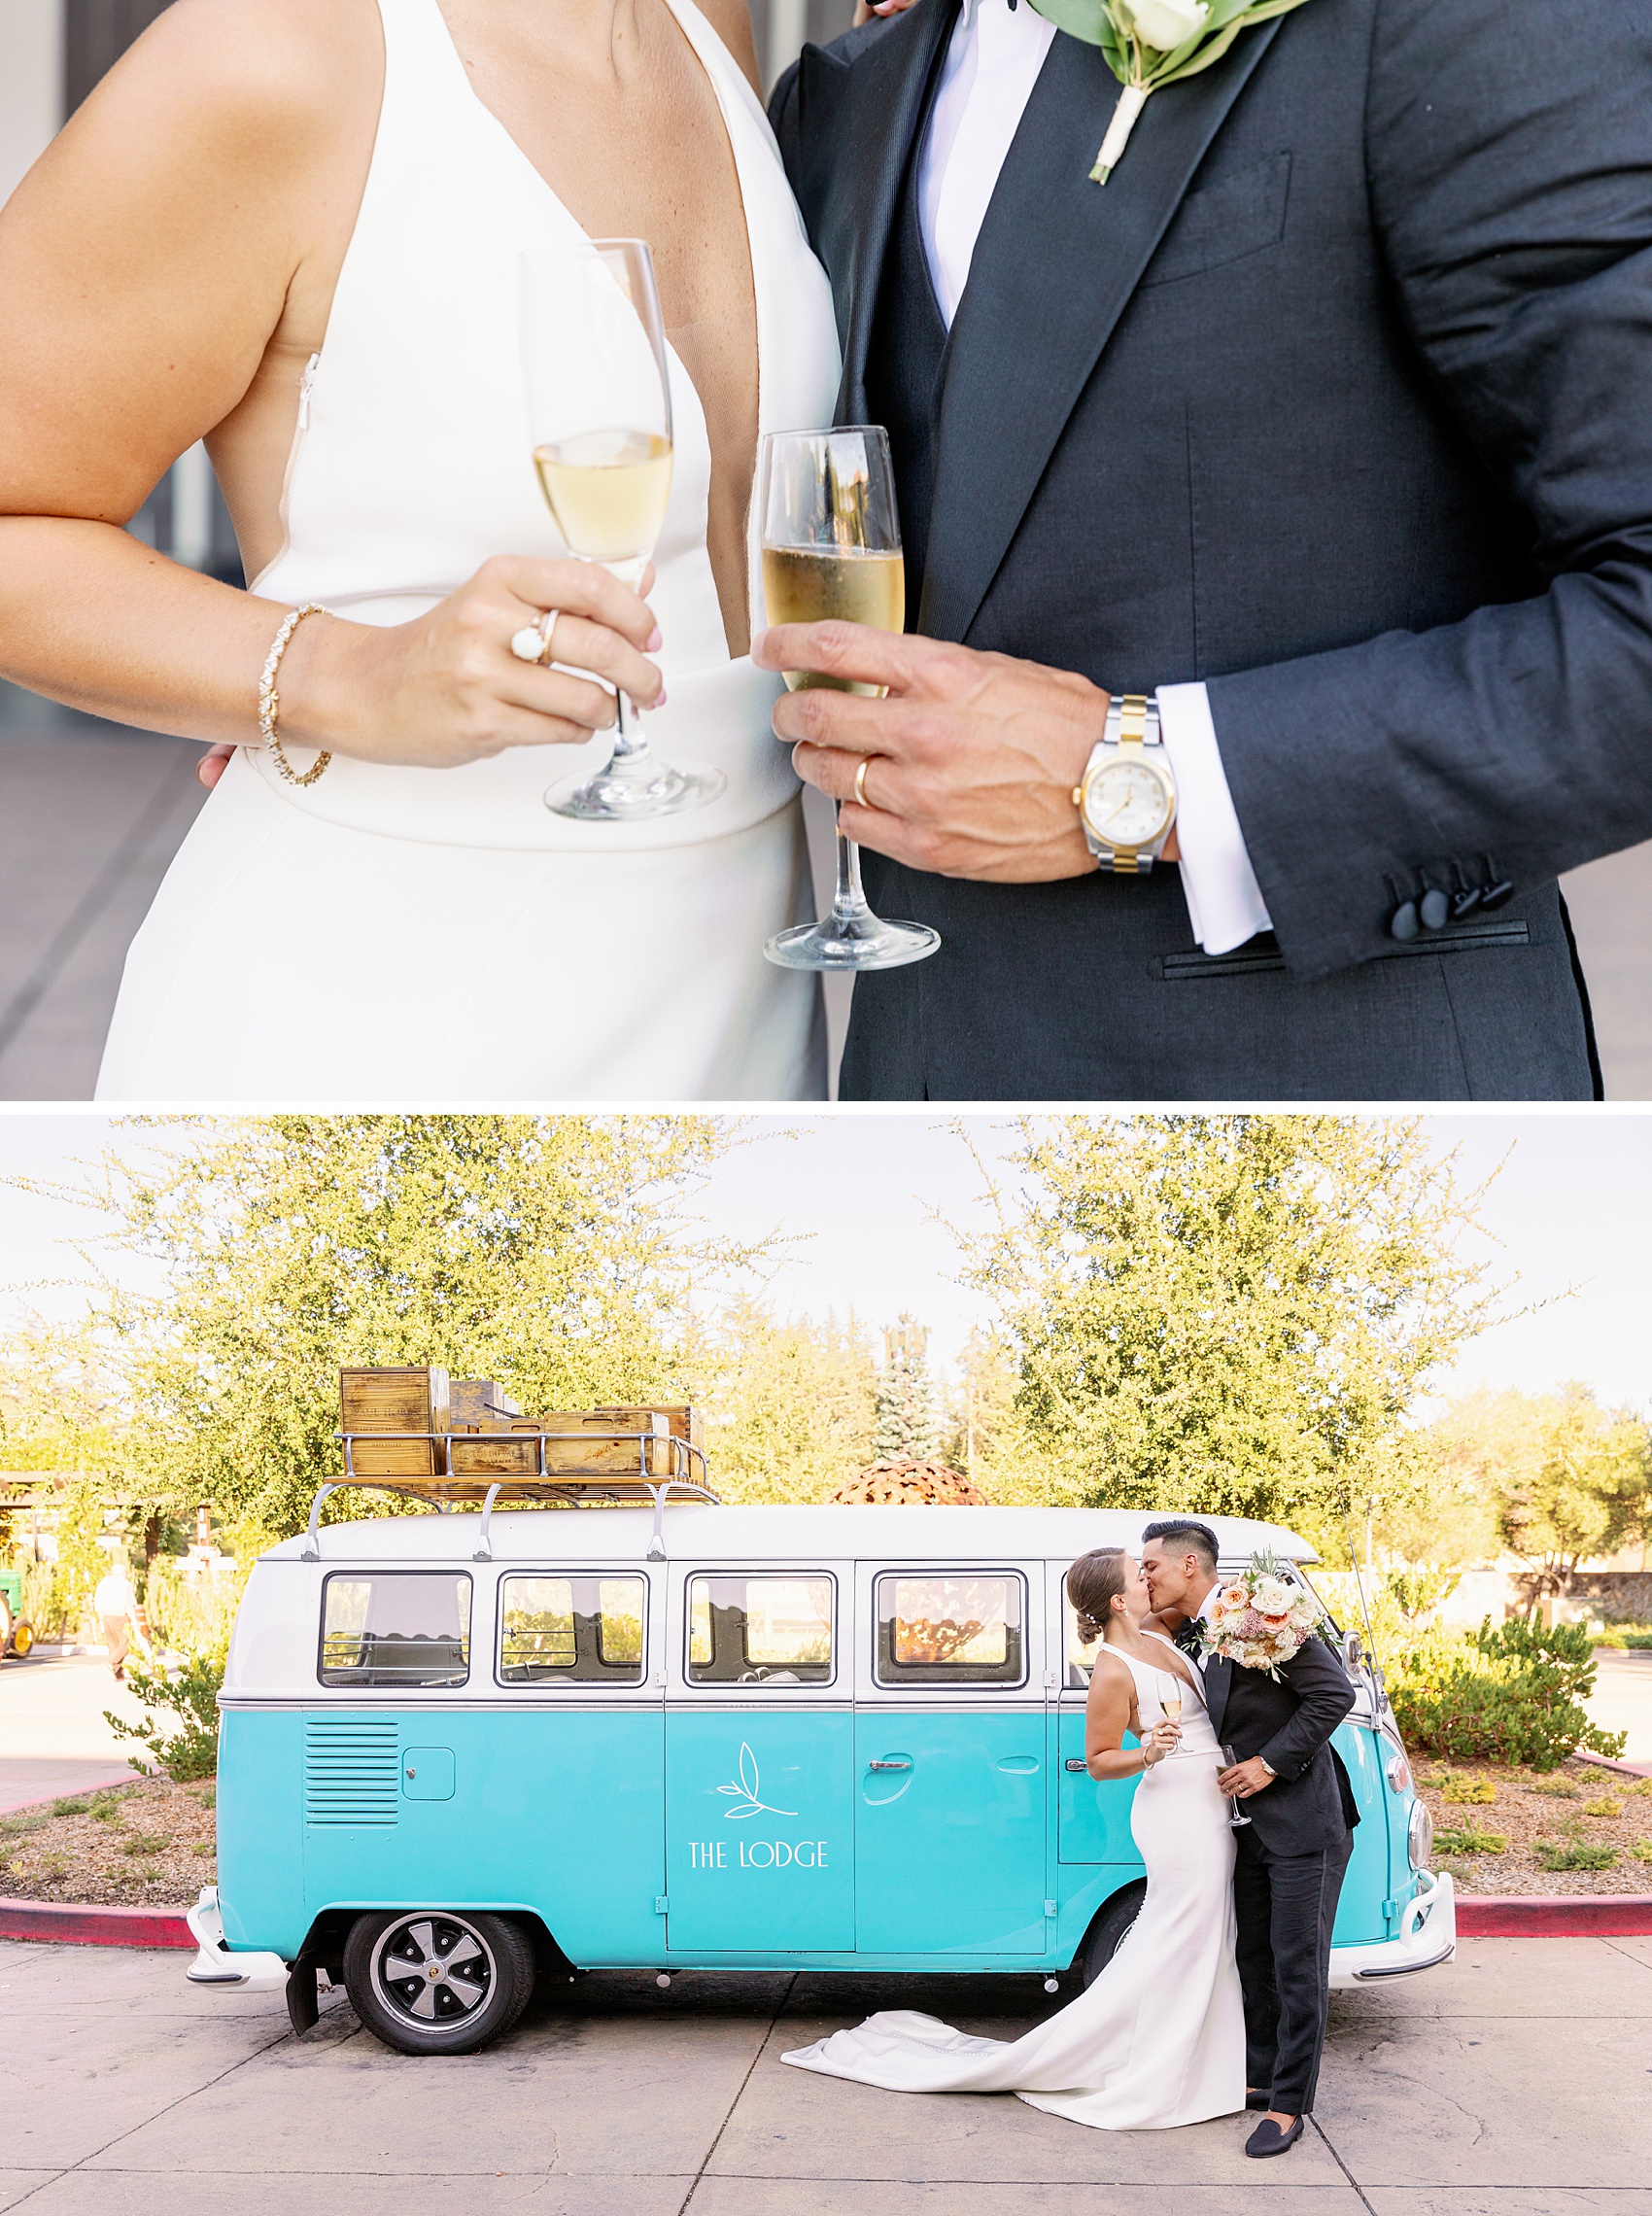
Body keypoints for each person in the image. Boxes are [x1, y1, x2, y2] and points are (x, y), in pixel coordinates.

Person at [764, 0, 1652, 1100]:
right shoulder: (843, 97)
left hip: (1343, 1119)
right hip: (918, 1107)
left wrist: (1134, 778)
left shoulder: (1464, 26)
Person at [0, 0, 842, 1099]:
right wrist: (335, 673)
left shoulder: (702, 24)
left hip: (739, 994)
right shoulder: (273, 54)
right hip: (386, 1010)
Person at [781, 1547, 1247, 2131]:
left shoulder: (1157, 1631)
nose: (1149, 1576)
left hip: (1208, 1802)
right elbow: (1100, 1760)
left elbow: (1209, 1614)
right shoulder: (1111, 1669)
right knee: (1180, 1936)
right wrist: (1148, 1752)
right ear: (1117, 1599)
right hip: (1175, 1809)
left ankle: (1198, 2063)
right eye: (1139, 1573)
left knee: (1203, 1935)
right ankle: (1157, 2068)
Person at [1140, 1517, 1358, 2156]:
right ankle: (1261, 2077)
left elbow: (1333, 1694)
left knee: (1297, 1965)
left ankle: (1290, 2106)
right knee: (1254, 1958)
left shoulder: (1261, 1613)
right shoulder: (1198, 1630)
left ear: (1189, 1565)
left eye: (1150, 1566)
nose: (1144, 1577)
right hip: (1246, 1827)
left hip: (1304, 1822)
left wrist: (1270, 1763)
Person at [93, 1550, 138, 1682]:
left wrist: (100, 1619)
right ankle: (111, 1662)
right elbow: (129, 1605)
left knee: (113, 1644)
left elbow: (98, 1600)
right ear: (124, 1573)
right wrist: (135, 1621)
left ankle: (118, 1673)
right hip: (120, 1616)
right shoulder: (125, 1584)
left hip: (106, 1616)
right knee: (127, 1643)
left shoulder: (104, 1583)